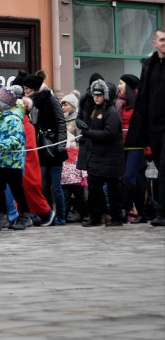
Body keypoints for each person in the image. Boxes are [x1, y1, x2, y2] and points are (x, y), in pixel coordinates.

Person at [125, 28, 165, 226]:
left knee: (164, 168)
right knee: (159, 167)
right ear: (154, 43)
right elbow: (143, 98)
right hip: (153, 127)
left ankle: (161, 212)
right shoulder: (149, 66)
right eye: (162, 40)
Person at [20, 73, 67, 226]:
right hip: (41, 146)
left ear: (34, 88)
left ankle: (61, 216)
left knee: (56, 184)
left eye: (27, 88)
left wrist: (60, 145)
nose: (25, 91)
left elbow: (61, 122)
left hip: (53, 146)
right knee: (43, 183)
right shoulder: (31, 103)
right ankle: (47, 214)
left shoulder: (50, 99)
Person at [77, 79, 125, 226]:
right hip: (96, 157)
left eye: (99, 94)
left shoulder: (111, 113)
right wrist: (82, 124)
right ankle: (95, 217)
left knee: (112, 191)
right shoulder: (95, 109)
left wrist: (88, 132)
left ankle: (116, 218)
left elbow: (109, 134)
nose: (96, 97)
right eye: (94, 94)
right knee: (94, 190)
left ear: (105, 95)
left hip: (110, 158)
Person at [0, 86, 29, 231]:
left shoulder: (13, 119)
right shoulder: (2, 118)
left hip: (12, 162)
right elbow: (1, 133)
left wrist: (1, 146)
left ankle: (24, 216)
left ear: (4, 103)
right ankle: (2, 217)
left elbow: (16, 139)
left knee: (17, 189)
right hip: (1, 161)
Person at [116, 74, 147, 222]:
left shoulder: (140, 102)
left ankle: (124, 209)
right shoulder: (120, 102)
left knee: (129, 176)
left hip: (136, 144)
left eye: (121, 83)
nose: (118, 86)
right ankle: (141, 213)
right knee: (134, 179)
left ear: (128, 85)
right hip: (122, 145)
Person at [59, 92, 87, 223]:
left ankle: (83, 213)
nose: (63, 107)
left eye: (66, 104)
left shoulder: (77, 120)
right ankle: (65, 214)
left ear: (73, 105)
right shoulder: (62, 119)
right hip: (65, 158)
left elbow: (81, 139)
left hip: (74, 158)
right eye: (62, 104)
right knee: (67, 188)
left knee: (76, 188)